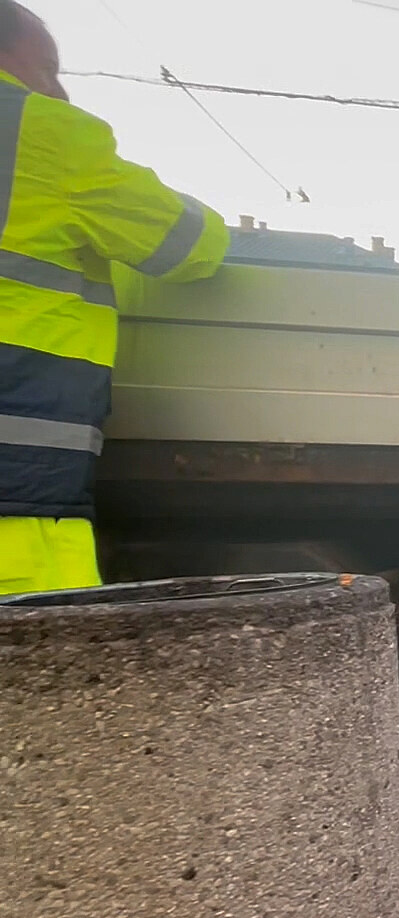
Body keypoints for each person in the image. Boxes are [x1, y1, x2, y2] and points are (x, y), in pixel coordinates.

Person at [0, 1, 229, 596]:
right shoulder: (40, 130)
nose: (58, 90)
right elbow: (184, 245)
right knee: (45, 646)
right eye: (48, 70)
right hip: (16, 485)